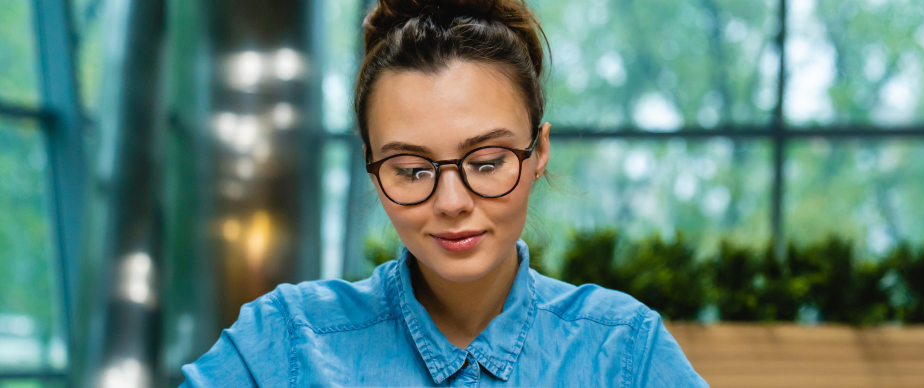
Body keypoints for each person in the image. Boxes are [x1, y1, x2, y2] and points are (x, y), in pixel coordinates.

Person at [180, 0, 708, 386]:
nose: (452, 202)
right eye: (411, 170)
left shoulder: (624, 351)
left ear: (538, 151)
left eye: (486, 162)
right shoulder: (285, 342)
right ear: (371, 166)